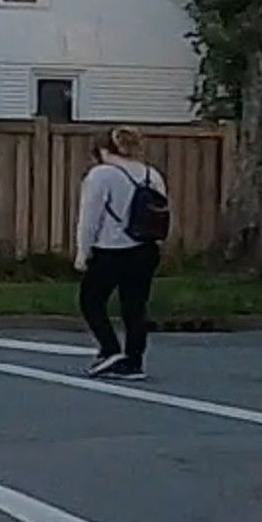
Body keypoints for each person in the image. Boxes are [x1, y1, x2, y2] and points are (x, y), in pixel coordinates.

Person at [76, 126, 170, 381]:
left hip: (111, 249)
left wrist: (83, 252)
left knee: (91, 301)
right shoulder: (152, 174)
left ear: (102, 150)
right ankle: (133, 361)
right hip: (146, 248)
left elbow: (90, 219)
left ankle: (110, 349)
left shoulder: (101, 175)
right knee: (135, 306)